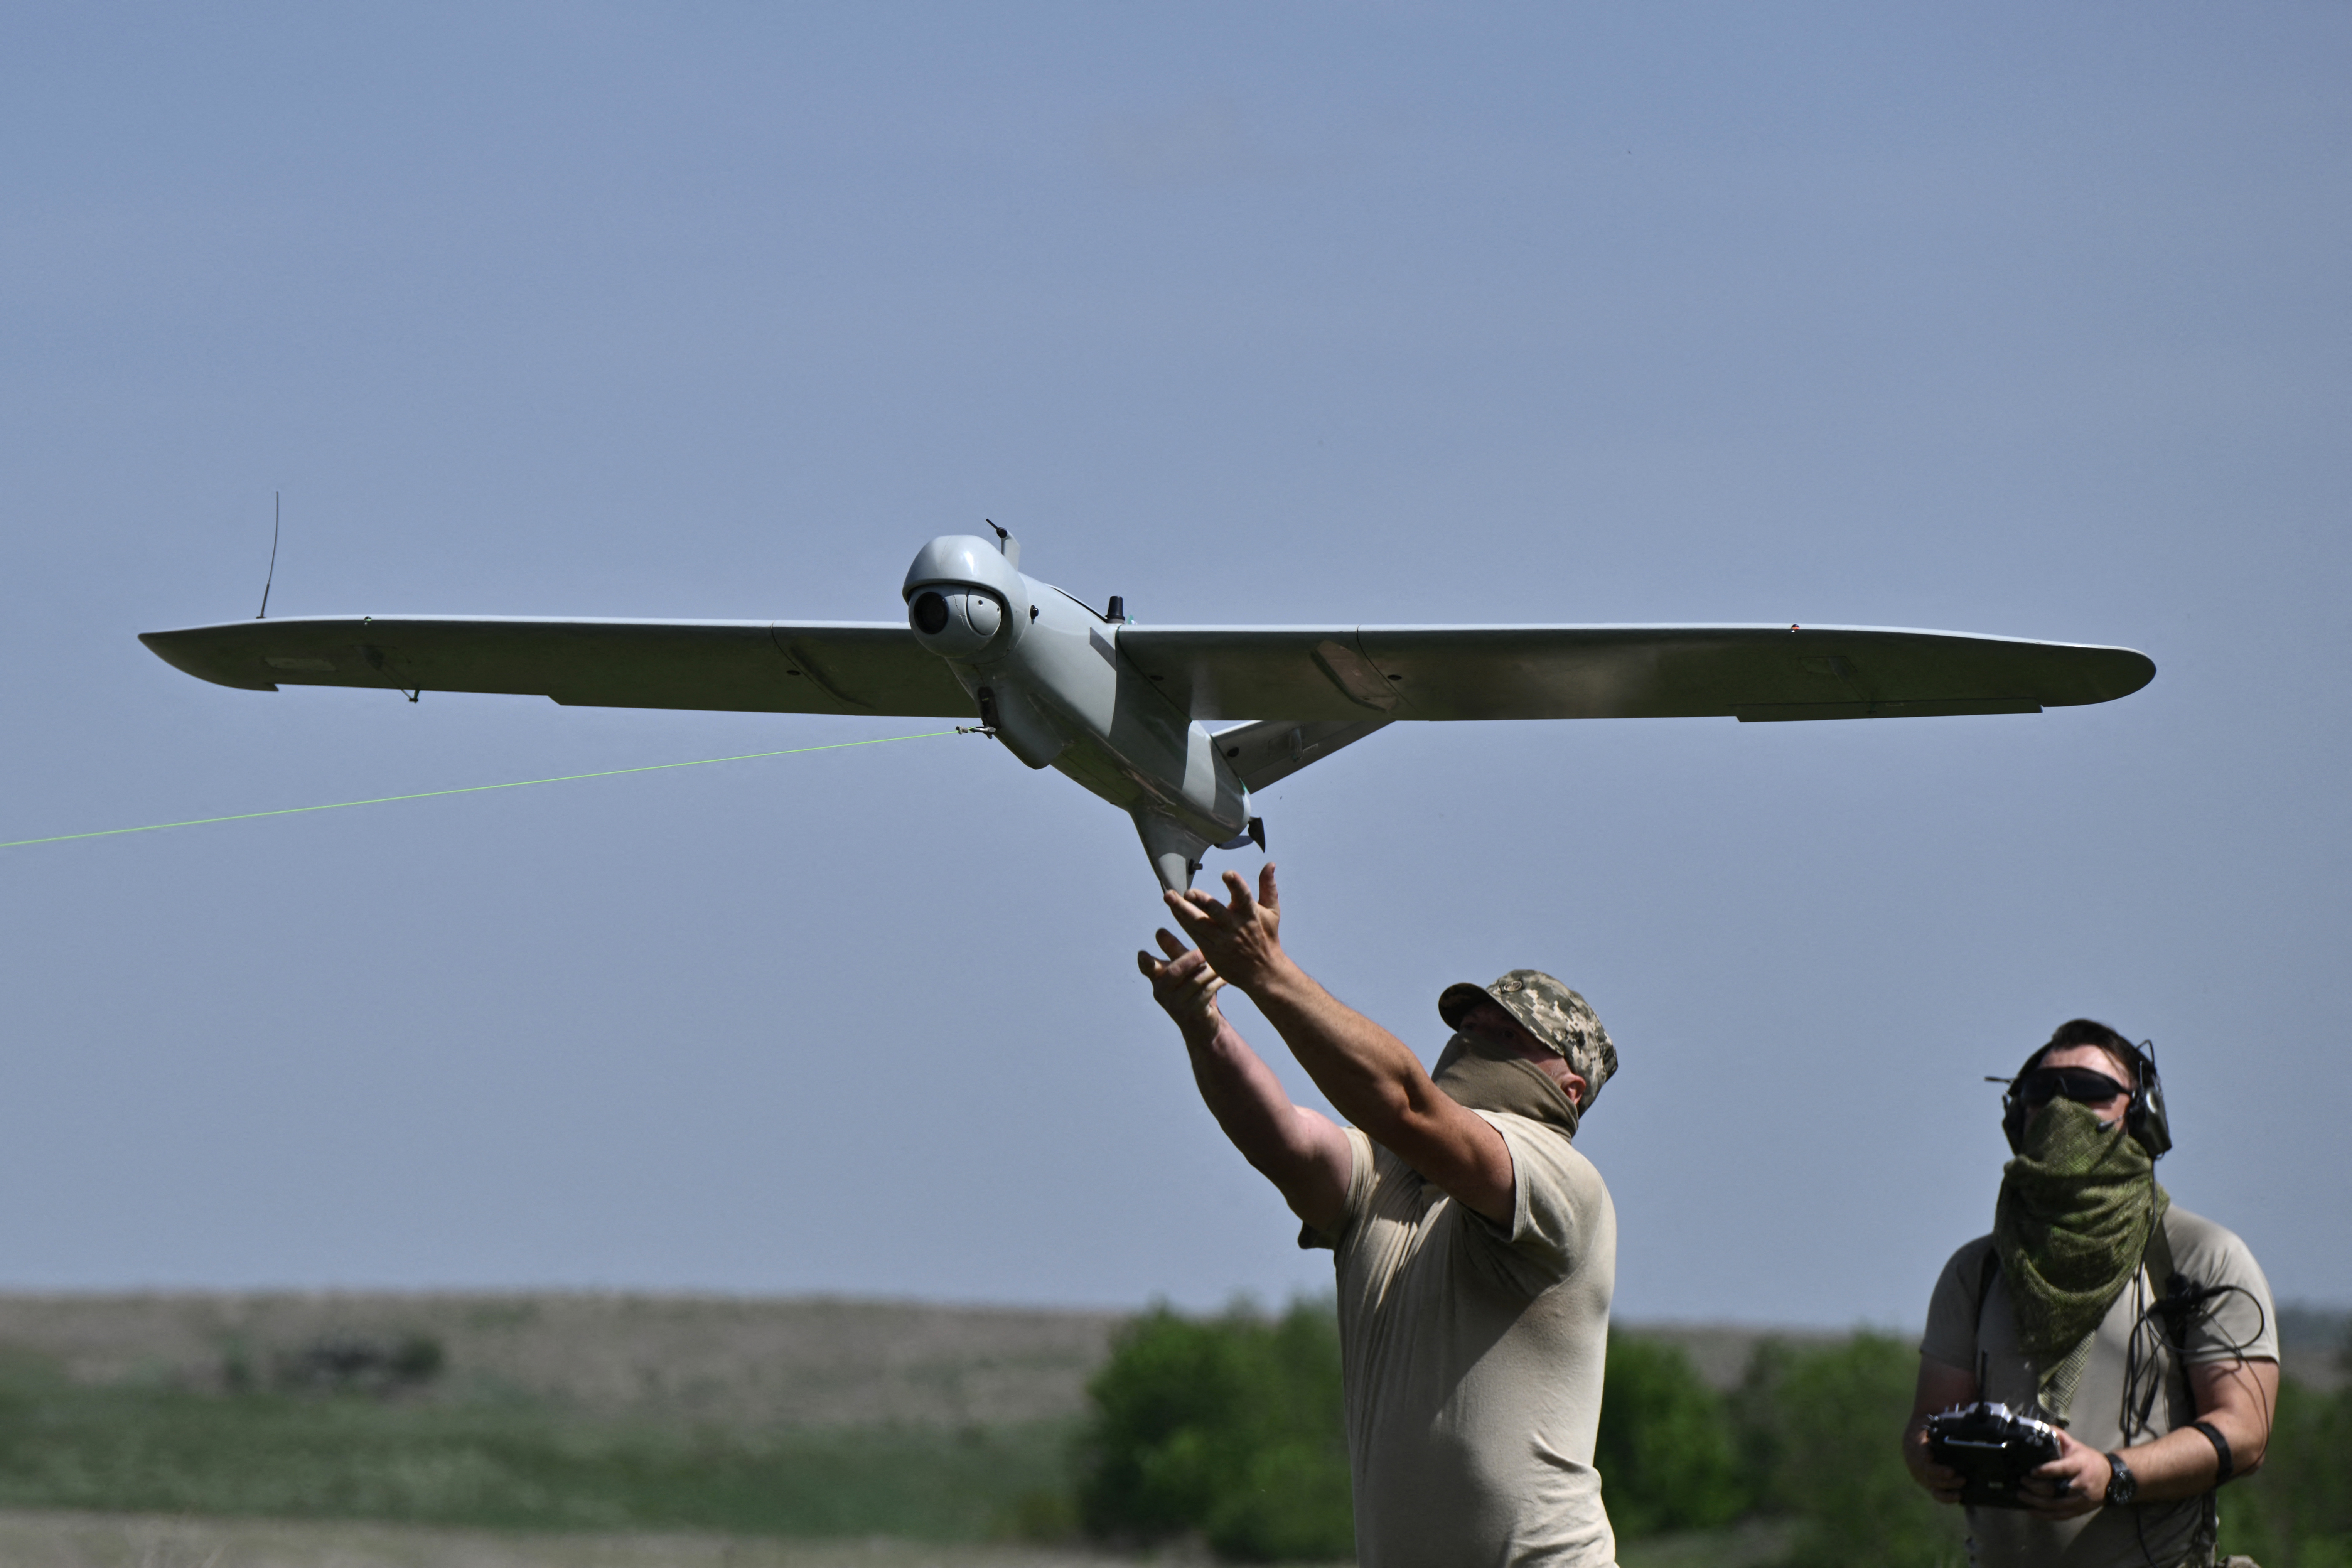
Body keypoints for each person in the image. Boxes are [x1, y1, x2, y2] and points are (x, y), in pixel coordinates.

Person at [1138, 863, 1623, 1568]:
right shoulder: (1391, 1173)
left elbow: (1403, 1102)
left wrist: (1267, 970)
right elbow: (1286, 1140)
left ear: (1569, 1088)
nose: (1474, 1030)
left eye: (1510, 1034)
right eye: (1471, 1022)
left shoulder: (1558, 1178)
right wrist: (1202, 1022)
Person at [1901, 1019, 2280, 1568]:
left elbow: (2246, 1434)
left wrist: (2115, 1474)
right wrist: (1928, 1457)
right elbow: (1926, 1420)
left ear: (2142, 1113)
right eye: (2041, 1093)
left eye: (2089, 1090)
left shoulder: (2200, 1256)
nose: (2063, 1109)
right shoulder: (1978, 1269)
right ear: (2017, 1116)